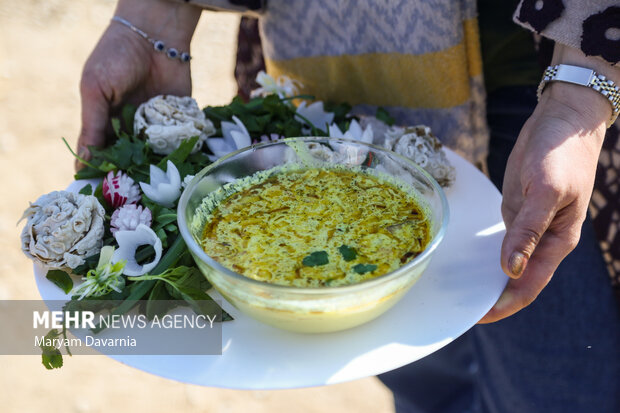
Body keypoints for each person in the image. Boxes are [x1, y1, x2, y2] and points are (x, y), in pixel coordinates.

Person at [75, 0, 620, 411]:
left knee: (563, 387)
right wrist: (156, 16)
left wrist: (581, 94)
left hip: (543, 72)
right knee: (418, 371)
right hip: (340, 56)